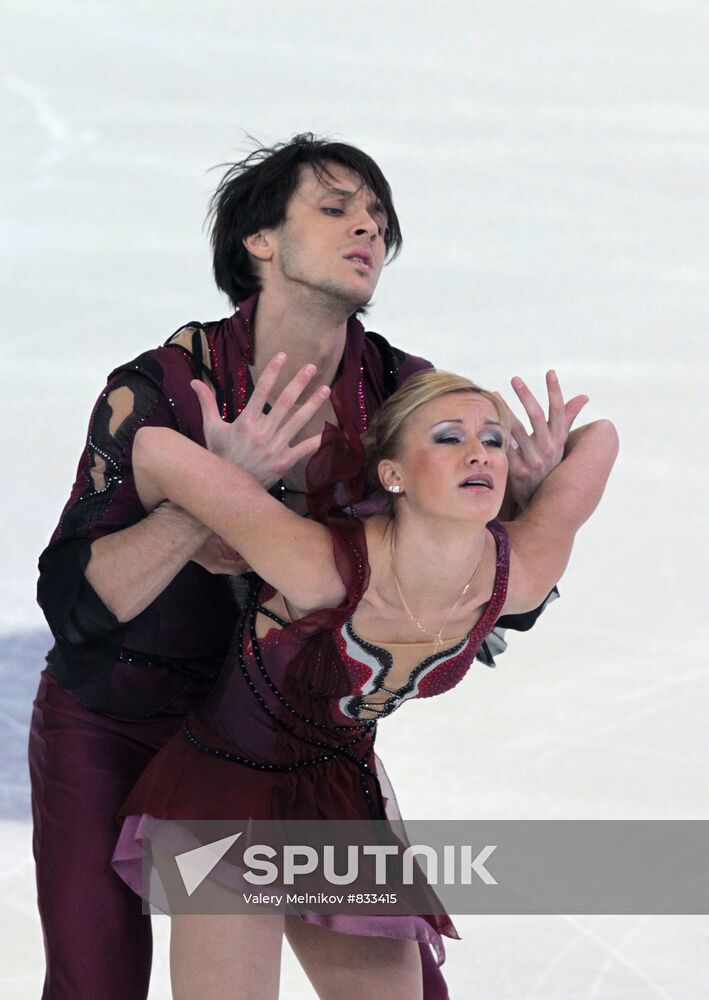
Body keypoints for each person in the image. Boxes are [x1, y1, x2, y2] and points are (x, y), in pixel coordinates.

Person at [30, 133, 580, 999]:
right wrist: (210, 496)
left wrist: (511, 507)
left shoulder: (403, 396)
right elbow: (79, 609)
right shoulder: (169, 384)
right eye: (335, 209)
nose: (367, 228)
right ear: (260, 241)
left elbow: (499, 608)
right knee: (96, 981)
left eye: (376, 217)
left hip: (287, 731)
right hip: (119, 717)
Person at [110, 365, 618, 999]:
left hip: (337, 797)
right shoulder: (318, 564)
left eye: (492, 440)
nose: (478, 454)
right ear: (393, 474)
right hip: (224, 793)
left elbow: (600, 435)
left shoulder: (521, 573)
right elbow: (153, 448)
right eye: (448, 438)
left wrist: (535, 473)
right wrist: (215, 495)